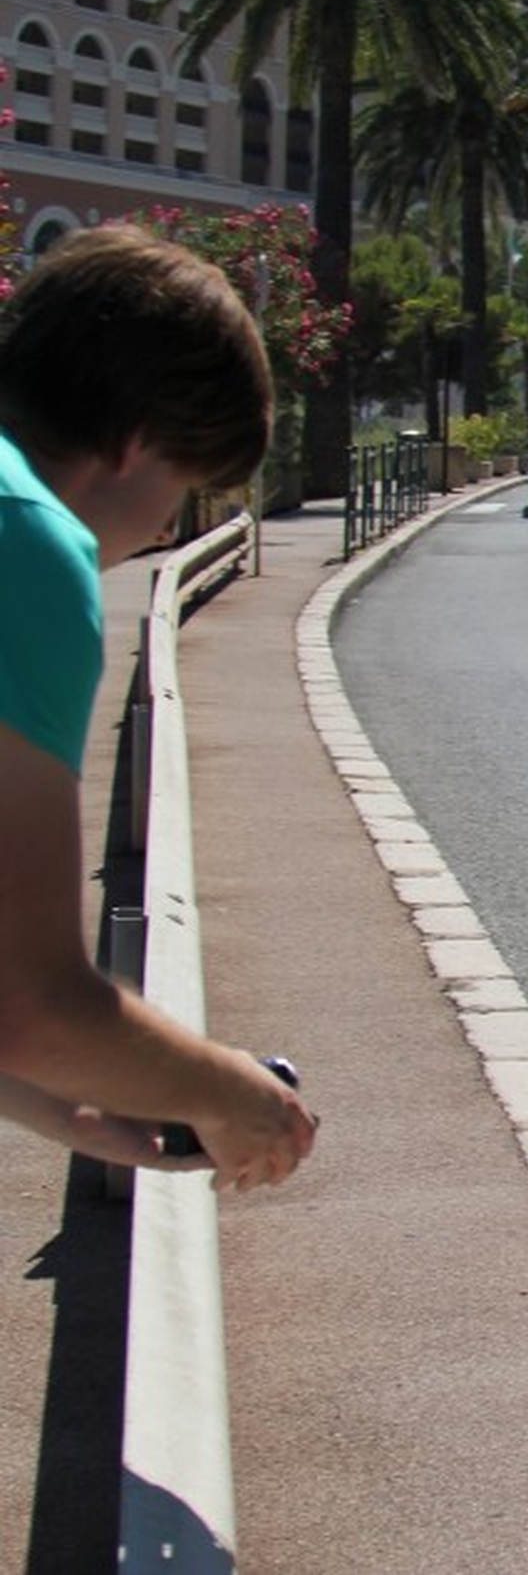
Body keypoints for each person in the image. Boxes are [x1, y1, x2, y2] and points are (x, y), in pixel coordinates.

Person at [0, 223, 318, 1191]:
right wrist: (231, 1091)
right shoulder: (29, 547)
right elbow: (30, 999)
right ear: (133, 443)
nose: (164, 534)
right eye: (182, 495)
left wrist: (88, 1111)